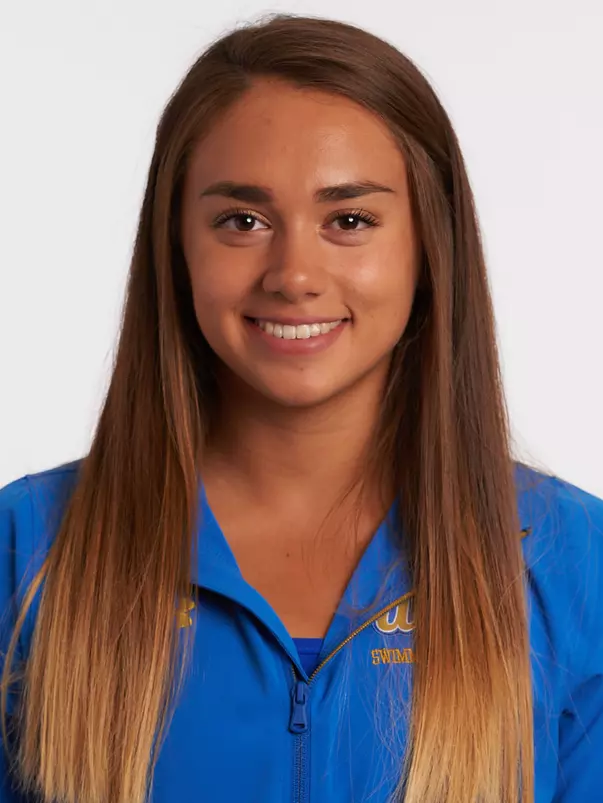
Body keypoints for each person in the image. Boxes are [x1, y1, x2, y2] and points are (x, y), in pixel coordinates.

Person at [0, 12, 601, 803]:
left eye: (348, 220)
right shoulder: (29, 546)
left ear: (428, 247)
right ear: (176, 247)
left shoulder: (573, 558)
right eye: (242, 221)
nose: (293, 275)